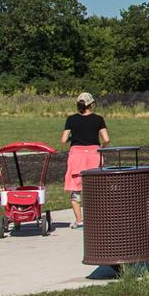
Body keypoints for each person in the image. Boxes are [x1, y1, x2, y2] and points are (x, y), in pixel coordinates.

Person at [60, 92, 108, 231]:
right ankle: (97, 219)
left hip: (77, 155)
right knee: (96, 188)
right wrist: (101, 148)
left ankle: (79, 221)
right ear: (91, 104)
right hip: (94, 154)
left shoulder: (71, 119)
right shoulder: (98, 119)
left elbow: (63, 140)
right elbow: (106, 138)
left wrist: (73, 137)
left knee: (76, 188)